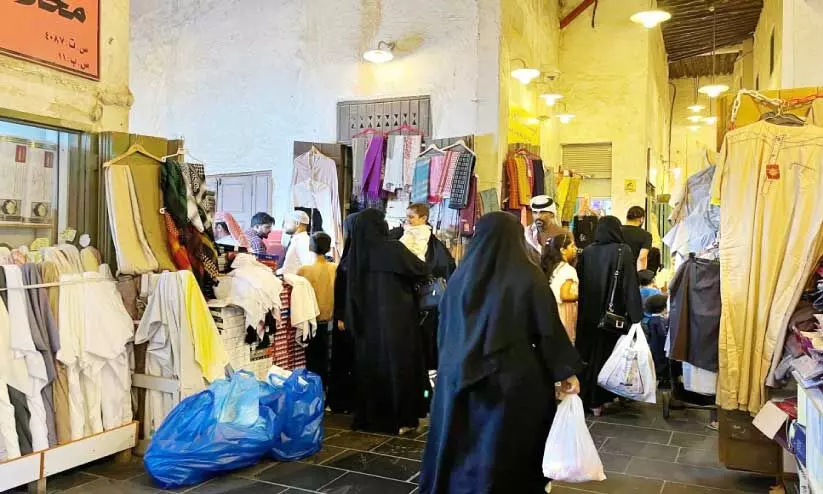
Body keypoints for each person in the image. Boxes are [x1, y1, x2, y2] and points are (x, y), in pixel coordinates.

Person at [421, 212, 582, 494]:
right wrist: (565, 371)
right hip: (510, 382)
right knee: (503, 450)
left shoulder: (461, 276)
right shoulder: (528, 276)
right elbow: (546, 329)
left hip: (458, 377)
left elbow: (445, 328)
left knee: (461, 445)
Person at [344, 208, 429, 434]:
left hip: (367, 324)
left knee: (371, 368)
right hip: (397, 319)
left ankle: (372, 418)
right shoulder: (392, 249)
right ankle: (400, 418)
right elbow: (420, 269)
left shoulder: (356, 255)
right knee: (398, 366)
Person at [576, 216, 643, 416]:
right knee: (606, 356)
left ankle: (585, 398)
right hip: (611, 317)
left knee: (587, 356)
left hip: (587, 316)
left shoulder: (587, 251)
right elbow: (629, 285)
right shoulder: (622, 251)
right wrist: (636, 316)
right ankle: (600, 400)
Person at [389, 203, 456, 374]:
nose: (408, 220)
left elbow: (444, 268)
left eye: (412, 217)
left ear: (424, 218)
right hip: (410, 303)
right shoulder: (401, 236)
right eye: (408, 217)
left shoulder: (432, 245)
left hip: (425, 305)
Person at [328, 213, 358, 414]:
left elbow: (343, 290)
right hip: (355, 318)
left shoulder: (350, 260)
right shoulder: (357, 256)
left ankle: (343, 401)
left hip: (346, 319)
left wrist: (340, 315)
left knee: (344, 359)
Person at [298, 232, 336, 386]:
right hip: (330, 320)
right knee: (326, 359)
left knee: (312, 361)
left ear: (310, 247)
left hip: (311, 322)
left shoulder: (303, 270)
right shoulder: (334, 268)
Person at [541, 232, 579, 342]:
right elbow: (565, 295)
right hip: (564, 314)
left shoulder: (554, 267)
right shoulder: (568, 270)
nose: (575, 249)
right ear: (563, 250)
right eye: (572, 246)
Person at [525, 195, 567, 261]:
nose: (538, 216)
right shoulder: (525, 234)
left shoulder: (562, 236)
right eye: (535, 212)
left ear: (552, 214)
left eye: (542, 212)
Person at [643, 294, 670, 388]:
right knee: (662, 364)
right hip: (660, 347)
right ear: (663, 308)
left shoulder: (651, 319)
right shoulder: (659, 320)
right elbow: (662, 334)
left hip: (654, 346)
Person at [280, 210, 313, 275]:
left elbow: (308, 267)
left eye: (287, 222)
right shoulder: (296, 239)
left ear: (297, 223)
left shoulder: (303, 241)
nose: (284, 226)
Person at [621, 206, 652, 271]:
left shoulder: (616, 231)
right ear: (642, 219)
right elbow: (642, 257)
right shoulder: (646, 235)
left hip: (615, 273)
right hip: (632, 273)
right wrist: (641, 276)